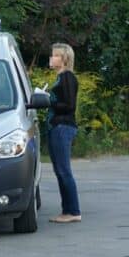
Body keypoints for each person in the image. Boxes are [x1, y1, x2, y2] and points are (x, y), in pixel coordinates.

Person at [46, 43, 81, 223]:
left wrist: (48, 102)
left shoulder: (67, 77)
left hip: (63, 127)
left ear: (64, 59)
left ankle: (73, 210)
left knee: (64, 170)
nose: (52, 58)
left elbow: (69, 105)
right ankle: (66, 210)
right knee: (59, 170)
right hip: (56, 127)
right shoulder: (59, 78)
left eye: (55, 55)